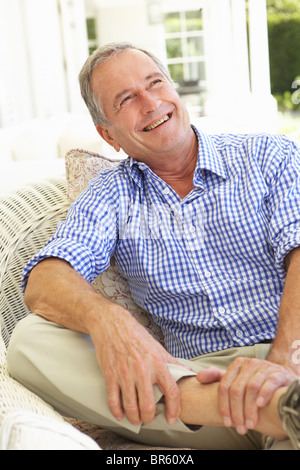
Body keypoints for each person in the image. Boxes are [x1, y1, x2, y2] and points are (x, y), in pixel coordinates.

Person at [6, 42, 300, 450]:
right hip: (193, 389)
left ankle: (283, 406)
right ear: (108, 135)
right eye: (126, 99)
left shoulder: (268, 155)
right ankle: (274, 408)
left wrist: (284, 364)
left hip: (290, 352)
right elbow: (45, 278)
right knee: (28, 343)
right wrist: (108, 320)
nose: (150, 103)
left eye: (155, 83)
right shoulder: (111, 193)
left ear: (175, 92)